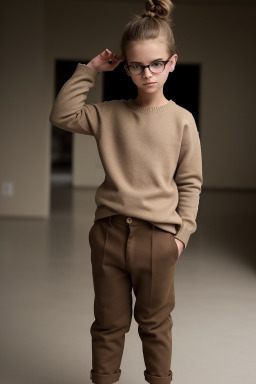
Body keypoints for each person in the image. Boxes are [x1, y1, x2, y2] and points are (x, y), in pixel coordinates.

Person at [49, 0, 203, 383]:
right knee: (107, 324)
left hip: (158, 239)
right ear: (126, 66)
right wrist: (90, 70)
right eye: (136, 65)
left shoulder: (183, 120)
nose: (147, 73)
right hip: (109, 234)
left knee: (154, 324)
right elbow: (62, 115)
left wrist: (181, 236)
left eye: (156, 64)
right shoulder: (108, 114)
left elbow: (190, 182)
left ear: (171, 62)